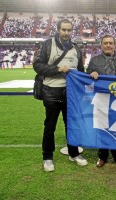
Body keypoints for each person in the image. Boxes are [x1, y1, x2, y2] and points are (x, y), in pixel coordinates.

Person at [33, 19, 88, 172]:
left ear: (72, 31)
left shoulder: (76, 48)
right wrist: (58, 69)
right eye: (63, 30)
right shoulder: (47, 44)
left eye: (69, 30)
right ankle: (47, 157)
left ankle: (74, 153)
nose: (66, 33)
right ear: (58, 29)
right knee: (50, 126)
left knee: (71, 125)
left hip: (71, 94)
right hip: (51, 91)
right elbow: (37, 66)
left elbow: (81, 71)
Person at [87, 34, 116, 167]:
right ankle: (103, 156)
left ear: (114, 45)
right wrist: (91, 74)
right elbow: (87, 75)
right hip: (102, 99)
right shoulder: (94, 60)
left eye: (110, 43)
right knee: (103, 128)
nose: (108, 45)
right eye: (105, 43)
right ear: (101, 45)